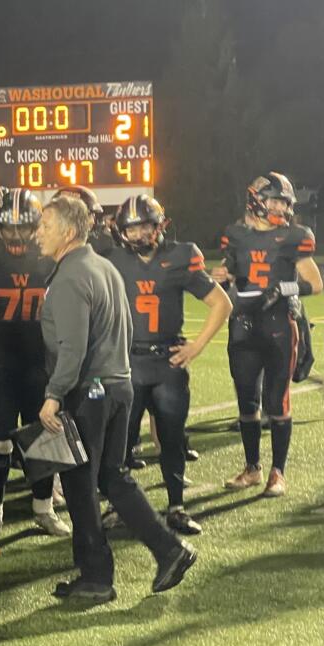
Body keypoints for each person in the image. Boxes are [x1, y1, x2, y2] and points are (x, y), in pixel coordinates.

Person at [35, 195, 196, 603]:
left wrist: (54, 396)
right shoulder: (103, 266)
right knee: (112, 476)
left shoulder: (71, 276)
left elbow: (71, 348)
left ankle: (96, 576)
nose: (38, 233)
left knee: (80, 484)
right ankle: (169, 550)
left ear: (69, 232)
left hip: (88, 390)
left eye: (45, 225)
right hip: (117, 385)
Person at [107, 196, 231, 534]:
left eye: (145, 225)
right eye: (131, 227)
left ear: (160, 224)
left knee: (173, 439)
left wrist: (197, 346)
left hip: (166, 361)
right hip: (129, 361)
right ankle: (121, 507)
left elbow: (221, 303)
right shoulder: (112, 259)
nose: (138, 233)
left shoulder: (180, 256)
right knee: (120, 443)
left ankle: (176, 507)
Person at [0, 189, 72, 541]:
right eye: (9, 228)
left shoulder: (51, 256)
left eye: (23, 227)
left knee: (43, 436)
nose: (17, 235)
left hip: (39, 361)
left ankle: (43, 508)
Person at [214, 172, 322, 496]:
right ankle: (252, 469)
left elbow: (315, 284)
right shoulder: (235, 235)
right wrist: (220, 278)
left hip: (279, 324)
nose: (280, 207)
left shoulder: (295, 236)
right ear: (256, 200)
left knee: (277, 401)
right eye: (275, 200)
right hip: (244, 325)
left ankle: (278, 472)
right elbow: (228, 274)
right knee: (247, 403)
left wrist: (283, 288)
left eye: (284, 202)